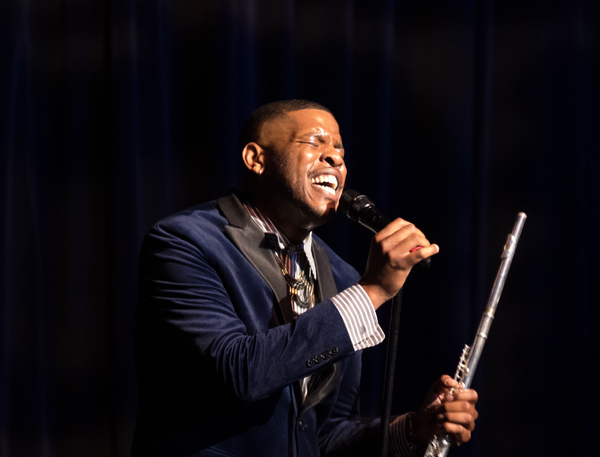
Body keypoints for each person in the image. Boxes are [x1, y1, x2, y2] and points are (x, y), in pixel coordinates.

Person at [132, 99, 478, 457]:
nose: (336, 158)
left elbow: (322, 434)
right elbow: (239, 371)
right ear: (256, 159)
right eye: (316, 142)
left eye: (340, 149)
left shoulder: (342, 276)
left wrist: (411, 431)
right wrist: (372, 291)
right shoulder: (184, 242)